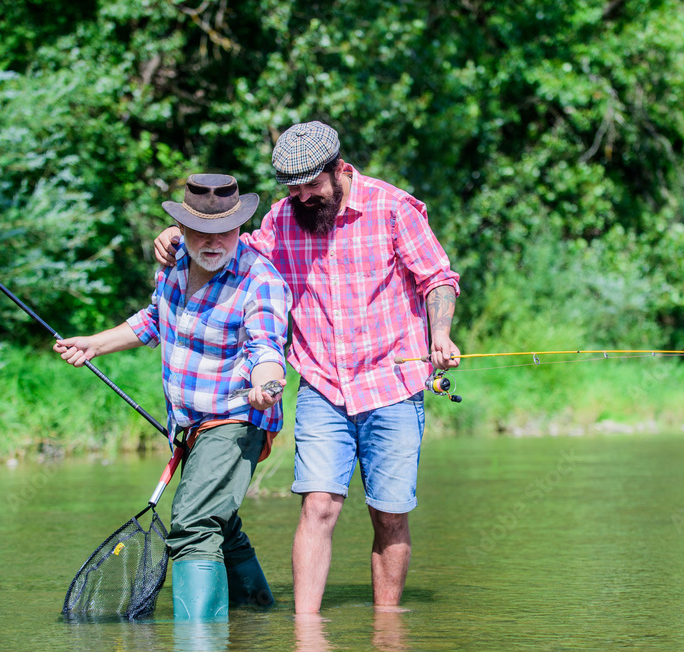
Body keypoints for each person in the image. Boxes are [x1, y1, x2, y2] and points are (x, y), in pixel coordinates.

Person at [154, 121, 461, 613]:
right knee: (318, 506)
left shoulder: (392, 208)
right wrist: (182, 230)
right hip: (321, 385)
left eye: (311, 185)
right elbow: (230, 248)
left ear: (339, 170)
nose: (301, 196)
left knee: (389, 514)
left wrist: (440, 333)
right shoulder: (282, 218)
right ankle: (305, 632)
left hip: (393, 384)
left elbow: (438, 278)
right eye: (291, 188)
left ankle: (386, 627)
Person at [56, 173, 292, 621]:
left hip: (236, 419)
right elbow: (152, 320)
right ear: (182, 229)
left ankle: (197, 640)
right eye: (202, 230)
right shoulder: (176, 264)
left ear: (240, 227)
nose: (213, 240)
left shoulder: (260, 279)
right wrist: (93, 344)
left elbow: (266, 348)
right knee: (222, 526)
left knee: (193, 525)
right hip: (188, 424)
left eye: (224, 229)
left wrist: (267, 385)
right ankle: (259, 622)